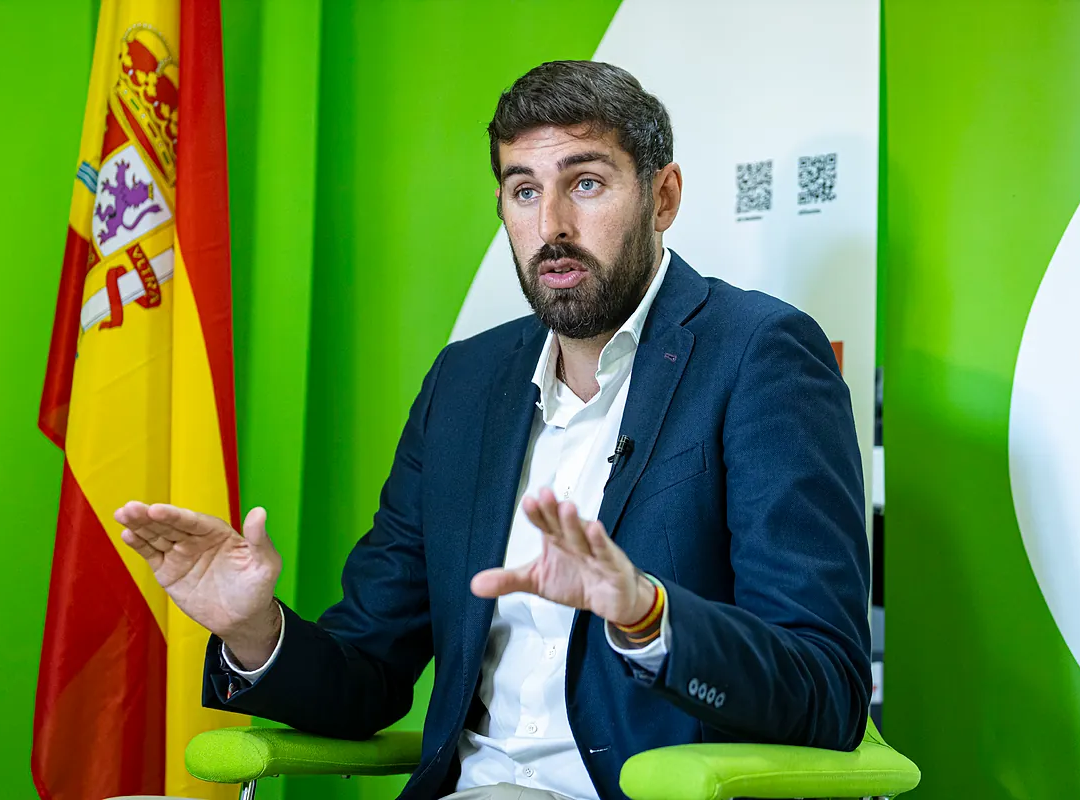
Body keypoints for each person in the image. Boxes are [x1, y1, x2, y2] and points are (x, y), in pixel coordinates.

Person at [115, 60, 871, 800]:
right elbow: (370, 672)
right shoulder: (466, 382)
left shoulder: (758, 355)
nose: (552, 227)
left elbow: (827, 689)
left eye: (586, 183)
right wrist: (253, 629)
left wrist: (647, 614)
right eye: (524, 190)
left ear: (662, 196)